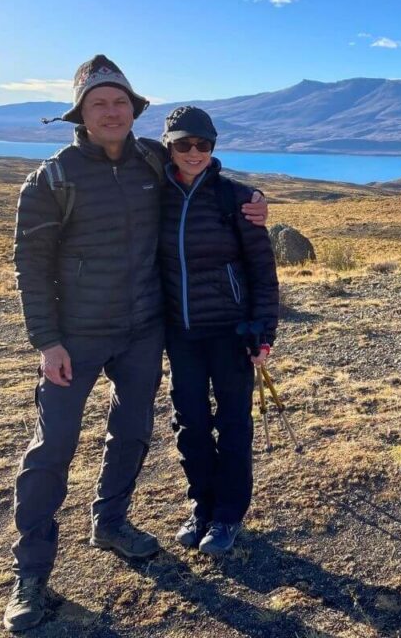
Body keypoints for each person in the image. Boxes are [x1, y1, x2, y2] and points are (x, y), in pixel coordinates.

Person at [5, 55, 268, 632]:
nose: (111, 111)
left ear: (134, 109)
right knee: (54, 446)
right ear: (81, 112)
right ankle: (31, 574)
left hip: (145, 328)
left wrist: (254, 203)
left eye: (120, 102)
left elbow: (207, 183)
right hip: (75, 334)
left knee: (132, 430)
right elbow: (28, 264)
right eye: (99, 103)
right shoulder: (53, 178)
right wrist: (46, 341)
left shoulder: (154, 158)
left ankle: (112, 521)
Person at [158, 106, 278, 556]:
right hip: (180, 332)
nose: (194, 152)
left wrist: (264, 333)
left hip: (231, 332)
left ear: (213, 147)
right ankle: (201, 506)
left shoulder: (237, 199)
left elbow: (263, 272)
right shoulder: (155, 192)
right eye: (184, 144)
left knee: (232, 424)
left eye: (203, 145)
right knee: (189, 423)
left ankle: (228, 515)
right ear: (168, 146)